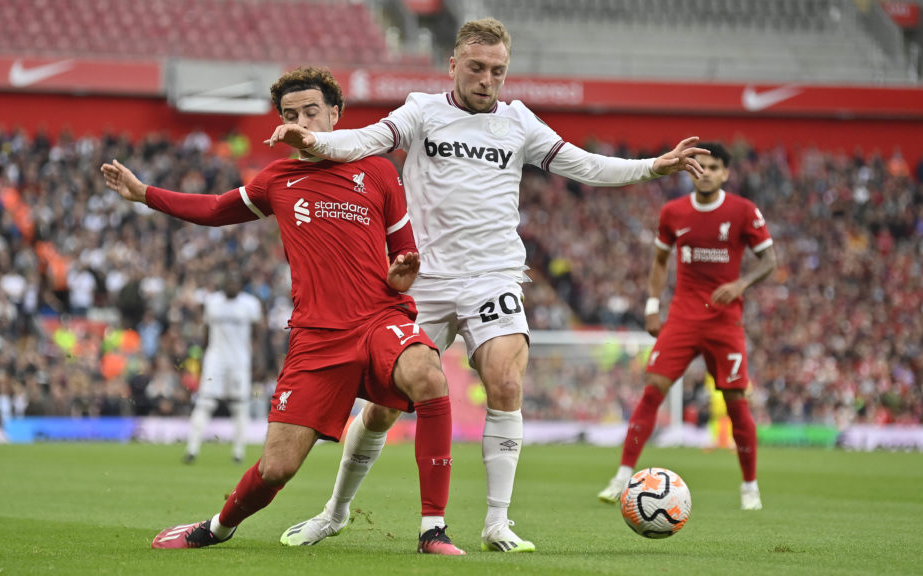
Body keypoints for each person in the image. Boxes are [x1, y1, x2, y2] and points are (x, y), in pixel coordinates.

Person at [265, 17, 708, 552]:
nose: (487, 79)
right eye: (476, 68)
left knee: (506, 381)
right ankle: (335, 512)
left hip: (492, 275)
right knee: (382, 409)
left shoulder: (519, 122)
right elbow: (365, 141)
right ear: (453, 65)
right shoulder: (422, 111)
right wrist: (312, 139)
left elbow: (582, 164)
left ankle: (497, 523)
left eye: (497, 70)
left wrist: (652, 168)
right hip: (422, 280)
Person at [100, 66, 465, 555]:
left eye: (312, 111)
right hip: (317, 337)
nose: (302, 121)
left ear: (336, 113)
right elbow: (213, 209)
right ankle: (217, 527)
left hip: (380, 318)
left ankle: (432, 530)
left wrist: (402, 274)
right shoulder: (278, 179)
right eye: (291, 114)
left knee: (429, 375)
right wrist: (145, 193)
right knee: (277, 468)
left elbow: (404, 253)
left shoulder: (378, 170)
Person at [596, 142, 776, 511]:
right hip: (682, 315)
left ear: (725, 173)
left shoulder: (743, 211)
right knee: (652, 390)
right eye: (700, 165)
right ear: (690, 170)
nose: (706, 172)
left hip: (725, 320)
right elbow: (660, 262)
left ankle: (749, 486)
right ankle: (621, 476)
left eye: (714, 167)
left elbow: (768, 260)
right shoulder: (673, 212)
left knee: (735, 402)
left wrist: (741, 284)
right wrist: (651, 306)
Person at [183, 270, 264, 465]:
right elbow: (206, 333)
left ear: (240, 285)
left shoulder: (250, 304)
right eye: (228, 283)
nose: (231, 286)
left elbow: (258, 334)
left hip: (239, 361)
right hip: (215, 359)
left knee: (240, 405)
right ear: (223, 284)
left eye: (235, 283)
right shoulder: (213, 302)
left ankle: (238, 452)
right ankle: (192, 449)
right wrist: (202, 358)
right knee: (205, 403)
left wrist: (259, 358)